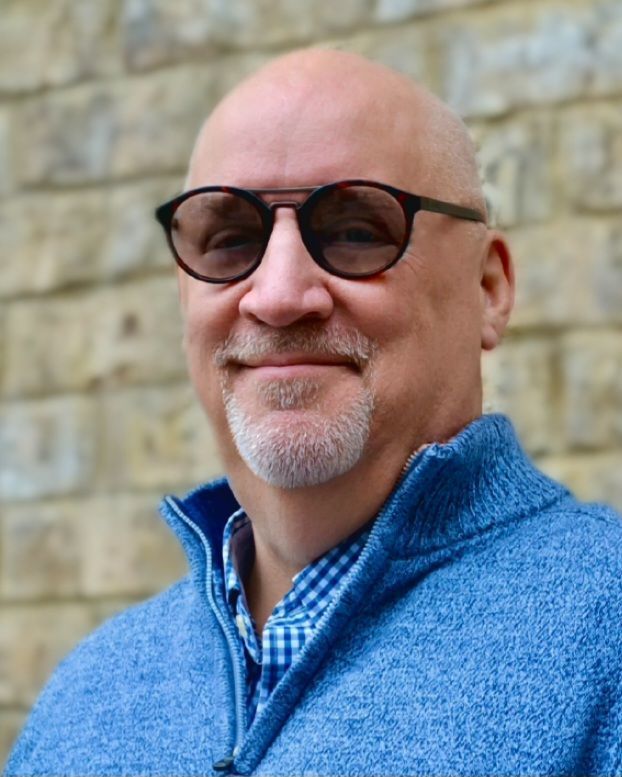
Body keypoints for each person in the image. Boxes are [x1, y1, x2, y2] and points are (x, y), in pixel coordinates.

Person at [6, 48, 622, 777]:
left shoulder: (606, 634)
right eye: (231, 238)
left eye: (356, 230)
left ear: (487, 288)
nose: (279, 294)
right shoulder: (87, 699)